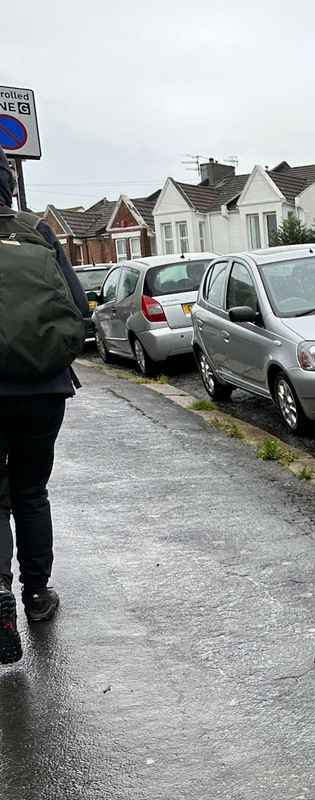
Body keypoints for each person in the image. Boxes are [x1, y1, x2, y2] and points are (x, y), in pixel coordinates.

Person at [0, 148, 89, 665]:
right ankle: (37, 595)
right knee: (31, 490)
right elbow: (77, 308)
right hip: (42, 386)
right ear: (8, 185)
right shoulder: (35, 230)